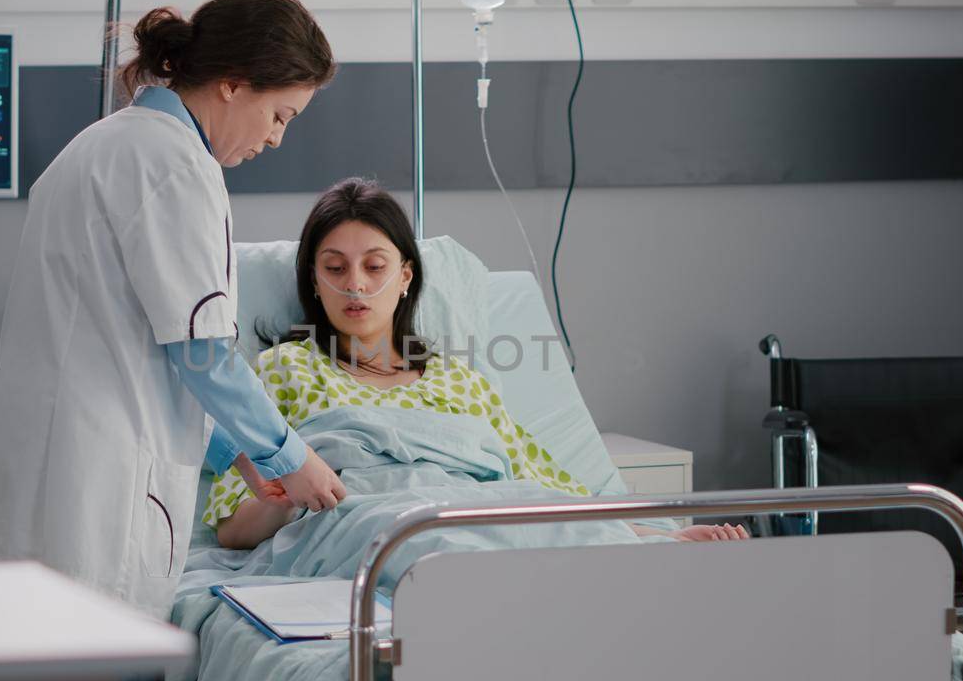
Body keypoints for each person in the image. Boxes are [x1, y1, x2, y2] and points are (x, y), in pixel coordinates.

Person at [0, 0, 347, 681]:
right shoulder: (172, 164)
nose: (275, 138)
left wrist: (237, 455)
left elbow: (127, 349)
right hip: (99, 507)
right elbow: (200, 353)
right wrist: (289, 456)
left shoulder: (98, 146)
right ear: (234, 83)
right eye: (281, 114)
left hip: (43, 492)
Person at [204, 177, 748, 549]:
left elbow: (536, 489)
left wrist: (642, 536)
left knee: (501, 527)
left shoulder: (460, 382)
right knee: (433, 541)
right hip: (365, 527)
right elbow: (232, 527)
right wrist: (283, 503)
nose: (356, 284)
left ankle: (636, 556)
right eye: (335, 268)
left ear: (406, 277)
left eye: (374, 266)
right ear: (314, 283)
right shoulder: (282, 371)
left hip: (472, 518)